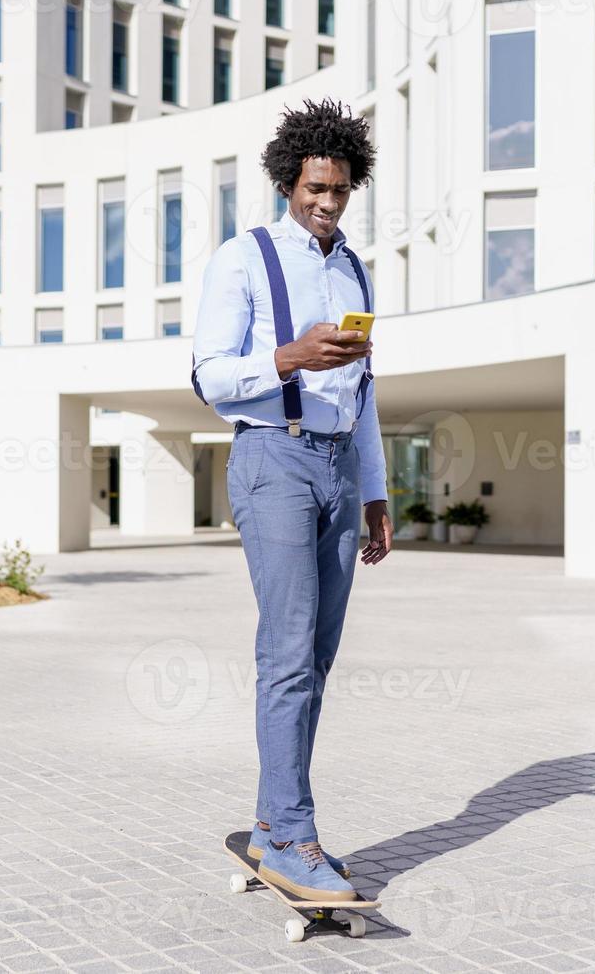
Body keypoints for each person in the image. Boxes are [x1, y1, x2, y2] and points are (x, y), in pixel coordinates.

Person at [193, 98, 392, 904]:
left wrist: (376, 491)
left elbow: (364, 388)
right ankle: (296, 834)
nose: (328, 202)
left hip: (342, 467)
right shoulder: (242, 259)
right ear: (288, 181)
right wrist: (288, 357)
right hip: (273, 459)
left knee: (315, 659)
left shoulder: (353, 267)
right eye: (315, 187)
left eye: (341, 189)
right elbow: (210, 377)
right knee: (285, 654)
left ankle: (274, 828)